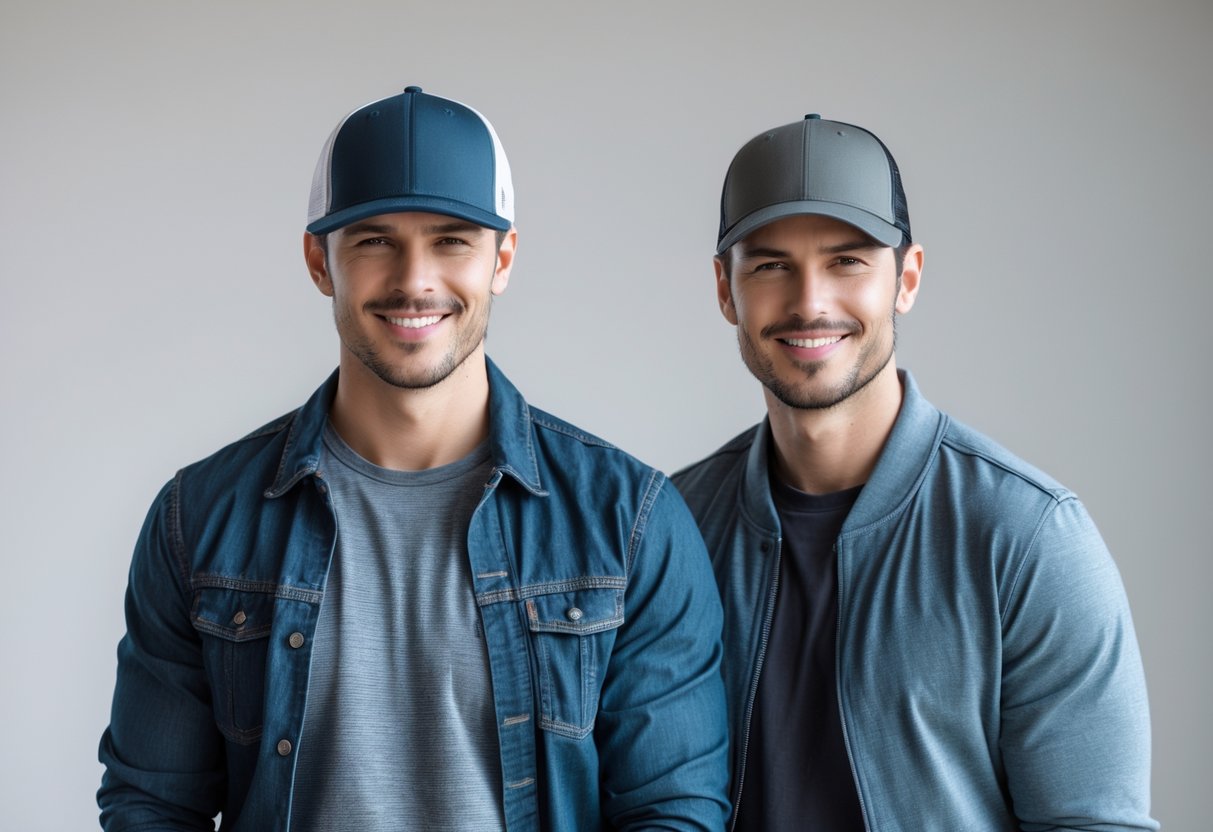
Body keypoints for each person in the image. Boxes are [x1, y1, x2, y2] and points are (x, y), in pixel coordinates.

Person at [98, 85, 729, 832]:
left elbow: (672, 812)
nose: (414, 279)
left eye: (451, 240)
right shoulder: (198, 519)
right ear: (317, 260)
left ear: (503, 259)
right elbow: (152, 807)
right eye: (373, 240)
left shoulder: (629, 523)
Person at [672, 113, 1156, 830]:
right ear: (724, 289)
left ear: (906, 278)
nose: (809, 301)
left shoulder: (1027, 538)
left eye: (847, 261)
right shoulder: (673, 529)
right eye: (771, 264)